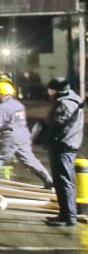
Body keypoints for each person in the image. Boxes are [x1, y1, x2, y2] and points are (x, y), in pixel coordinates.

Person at [0, 80, 53, 189]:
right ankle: (48, 180)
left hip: (11, 135)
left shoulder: (1, 107)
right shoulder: (18, 104)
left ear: (1, 93)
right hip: (24, 134)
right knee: (29, 159)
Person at [40, 76, 84, 227]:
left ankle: (68, 216)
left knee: (63, 182)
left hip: (62, 146)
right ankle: (65, 214)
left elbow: (58, 125)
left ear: (55, 90)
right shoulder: (73, 100)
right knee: (63, 181)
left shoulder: (64, 104)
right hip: (67, 144)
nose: (49, 92)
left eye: (50, 89)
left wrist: (45, 138)